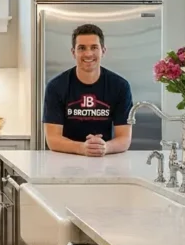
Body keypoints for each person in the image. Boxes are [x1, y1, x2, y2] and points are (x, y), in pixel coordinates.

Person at [42, 24, 134, 157]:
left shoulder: (120, 86)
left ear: (103, 50)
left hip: (105, 160)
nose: (88, 53)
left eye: (94, 47)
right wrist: (82, 148)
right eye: (82, 48)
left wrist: (106, 147)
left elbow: (125, 138)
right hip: (64, 160)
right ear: (73, 52)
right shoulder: (56, 86)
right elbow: (52, 139)